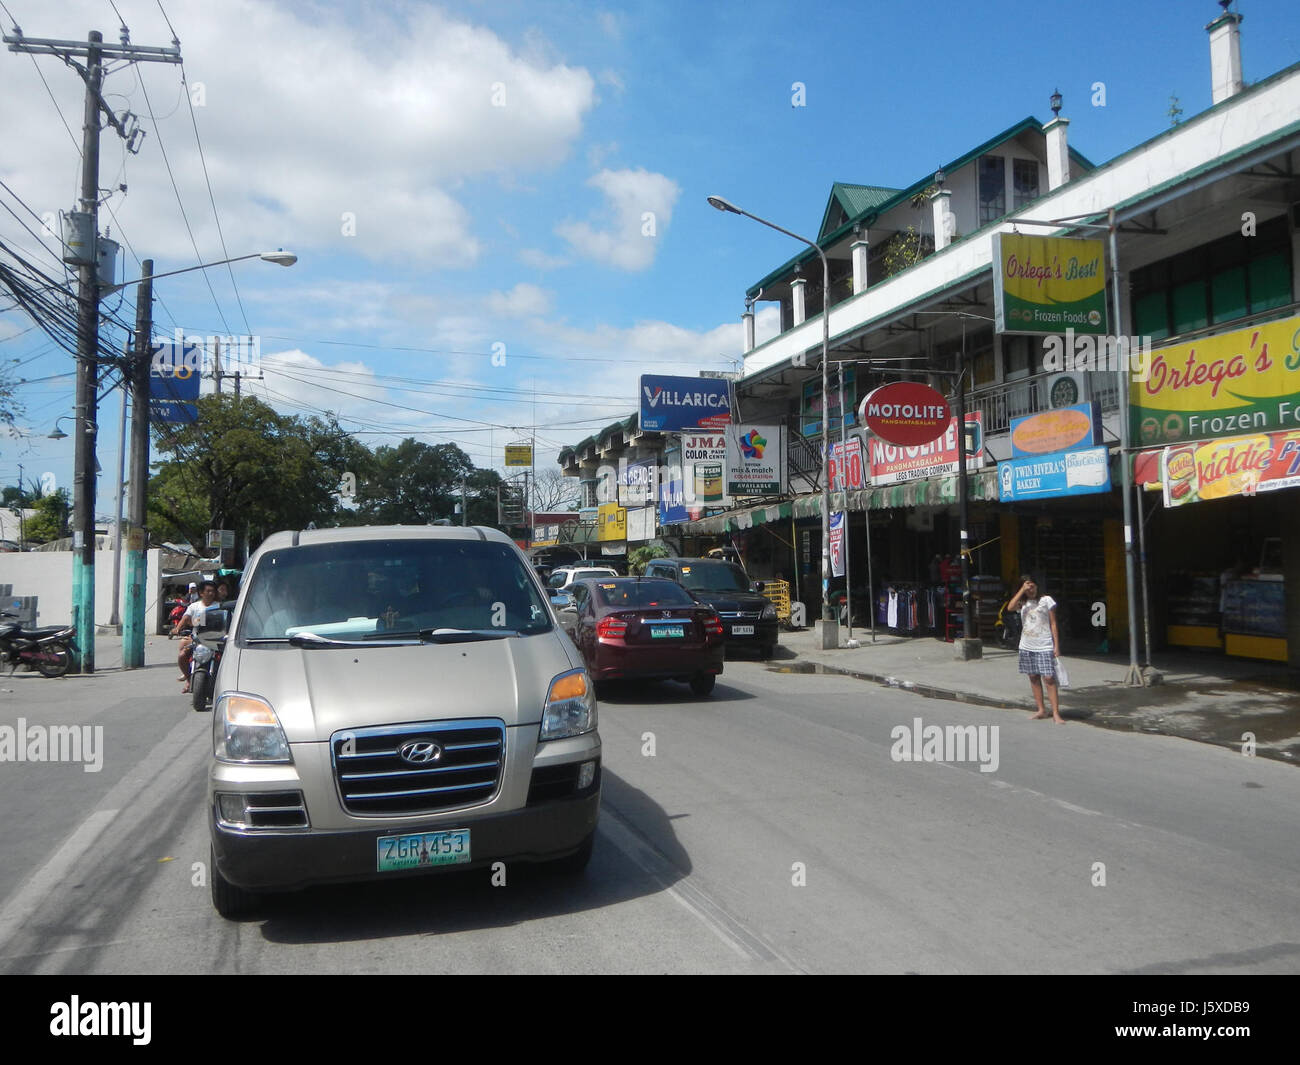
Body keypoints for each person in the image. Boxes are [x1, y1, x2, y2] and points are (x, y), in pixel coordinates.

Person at [1006, 573, 1063, 723]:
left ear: (1037, 585)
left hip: (1044, 645)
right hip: (1027, 646)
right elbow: (1010, 607)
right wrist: (1021, 591)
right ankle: (1041, 709)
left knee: (1049, 678)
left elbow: (1053, 623)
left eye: (1032, 586)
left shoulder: (1046, 600)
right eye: (1027, 586)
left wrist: (1056, 645)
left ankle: (1056, 713)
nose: (1030, 589)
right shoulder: (1022, 603)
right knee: (1033, 677)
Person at [177, 581, 220, 693]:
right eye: (208, 591)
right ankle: (188, 679)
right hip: (197, 639)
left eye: (213, 591)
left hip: (216, 640)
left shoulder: (219, 606)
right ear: (201, 593)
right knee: (182, 655)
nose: (211, 593)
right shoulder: (194, 606)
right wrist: (177, 629)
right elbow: (185, 618)